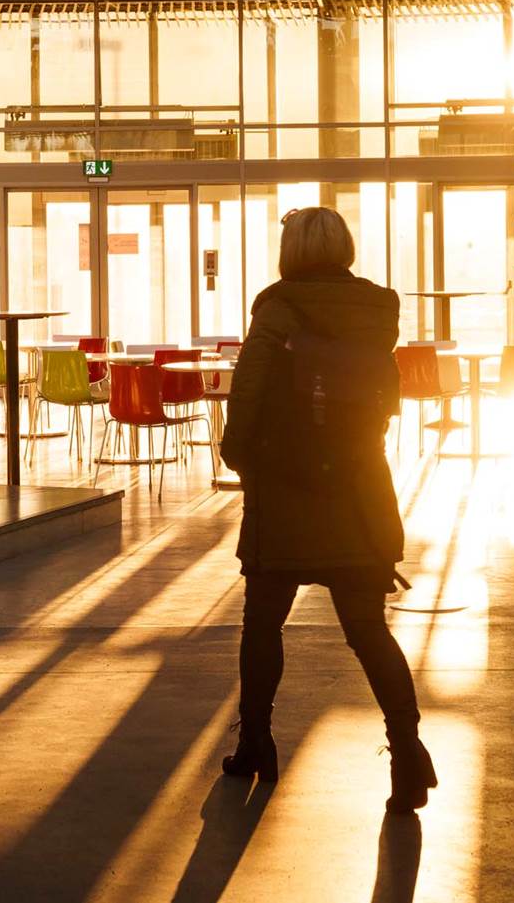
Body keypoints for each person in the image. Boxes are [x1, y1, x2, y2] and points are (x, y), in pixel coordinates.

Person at [217, 207, 436, 815]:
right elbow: (386, 398)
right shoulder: (377, 309)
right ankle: (408, 755)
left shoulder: (278, 307)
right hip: (360, 487)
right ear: (344, 246)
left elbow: (249, 390)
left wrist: (242, 457)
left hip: (285, 489)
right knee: (368, 631)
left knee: (263, 624)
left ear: (290, 250)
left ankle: (256, 743)